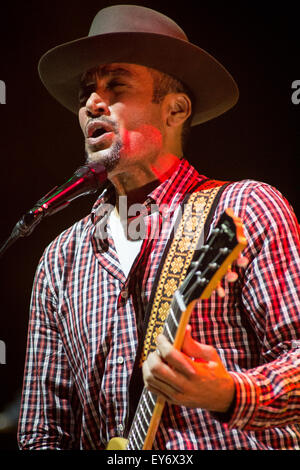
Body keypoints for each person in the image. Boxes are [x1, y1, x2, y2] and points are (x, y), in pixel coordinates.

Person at [18, 5, 300, 450]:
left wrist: (229, 393)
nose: (92, 102)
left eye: (116, 84)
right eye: (86, 91)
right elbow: (41, 432)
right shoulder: (60, 259)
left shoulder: (245, 208)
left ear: (176, 109)